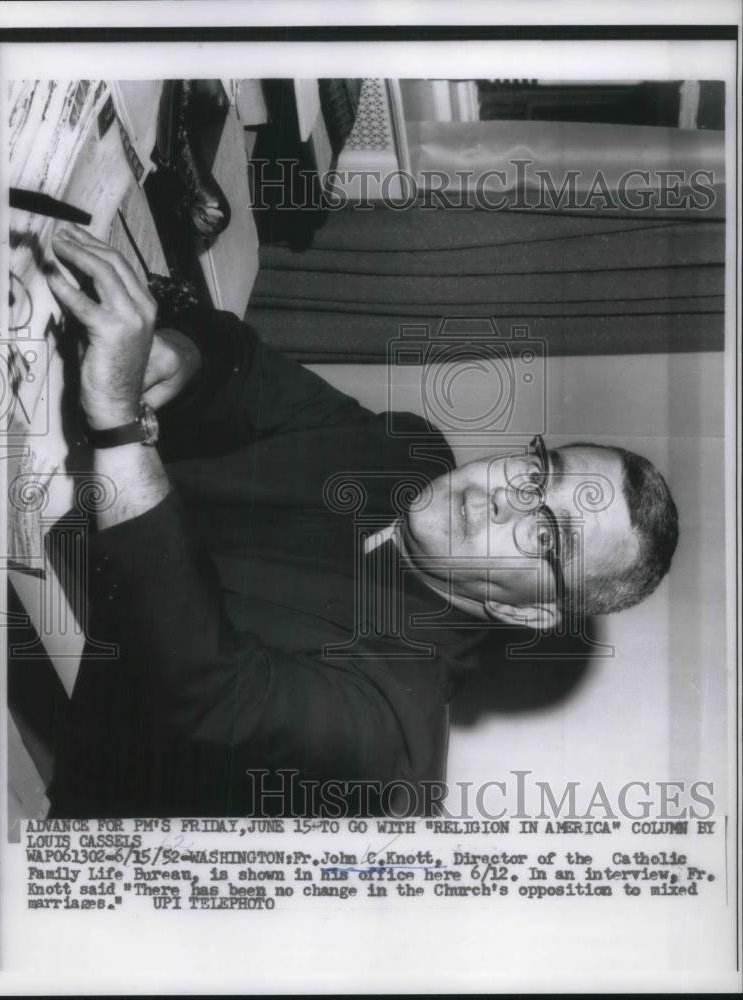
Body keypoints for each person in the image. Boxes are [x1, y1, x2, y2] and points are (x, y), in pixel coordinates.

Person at [43, 224, 679, 818]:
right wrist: (177, 362)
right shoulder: (413, 455)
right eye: (540, 474)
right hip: (54, 504)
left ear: (526, 613)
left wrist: (121, 423)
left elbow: (206, 687)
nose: (505, 499)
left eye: (545, 535)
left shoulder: (392, 744)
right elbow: (251, 373)